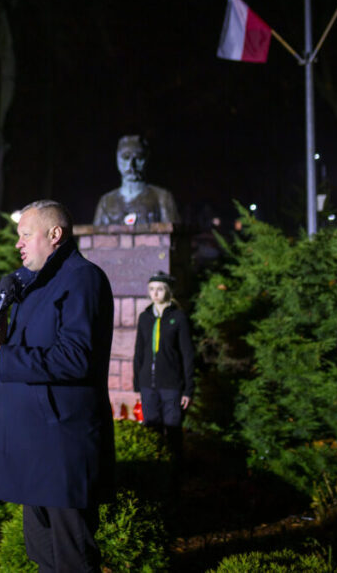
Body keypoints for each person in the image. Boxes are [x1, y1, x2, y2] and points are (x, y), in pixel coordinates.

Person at [0, 200, 115, 572]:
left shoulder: (82, 279)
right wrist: (2, 339)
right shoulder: (34, 287)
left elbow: (75, 358)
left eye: (25, 235)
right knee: (41, 554)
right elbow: (35, 353)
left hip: (62, 448)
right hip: (35, 447)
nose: (18, 245)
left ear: (55, 235)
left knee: (71, 558)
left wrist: (1, 358)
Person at [132, 272, 194, 466]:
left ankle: (176, 472)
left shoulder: (178, 317)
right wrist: (137, 386)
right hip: (147, 385)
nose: (155, 293)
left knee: (173, 430)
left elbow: (187, 354)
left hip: (171, 385)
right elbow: (139, 352)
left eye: (159, 289)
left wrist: (188, 389)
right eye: (151, 289)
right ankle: (154, 470)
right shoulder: (145, 317)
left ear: (168, 291)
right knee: (151, 429)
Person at [93, 135, 179, 226]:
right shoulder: (106, 202)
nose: (131, 165)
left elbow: (174, 236)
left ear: (147, 159)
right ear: (117, 159)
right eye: (126, 157)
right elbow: (94, 236)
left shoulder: (162, 198)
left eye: (138, 158)